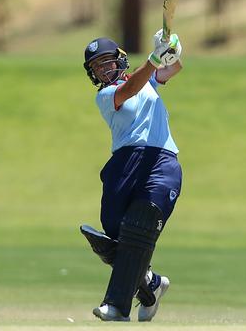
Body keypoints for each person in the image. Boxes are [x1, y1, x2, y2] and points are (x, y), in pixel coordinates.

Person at [80, 30, 184, 322]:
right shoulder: (106, 95)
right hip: (125, 164)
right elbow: (131, 89)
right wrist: (153, 58)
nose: (103, 69)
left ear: (120, 60)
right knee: (117, 234)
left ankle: (116, 307)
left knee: (142, 224)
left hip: (162, 162)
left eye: (107, 61)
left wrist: (172, 47)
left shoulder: (148, 79)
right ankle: (149, 284)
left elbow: (174, 68)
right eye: (96, 67)